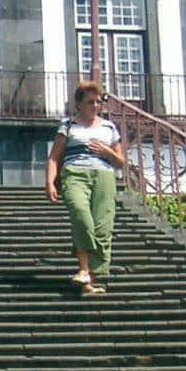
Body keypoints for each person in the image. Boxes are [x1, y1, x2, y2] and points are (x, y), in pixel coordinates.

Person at [45, 81, 125, 295]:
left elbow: (121, 162)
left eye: (99, 102)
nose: (96, 106)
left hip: (104, 177)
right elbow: (54, 157)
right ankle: (83, 269)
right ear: (79, 103)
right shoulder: (69, 126)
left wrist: (107, 152)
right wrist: (50, 182)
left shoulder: (109, 128)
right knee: (82, 217)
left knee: (102, 227)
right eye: (90, 102)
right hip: (75, 174)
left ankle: (88, 280)